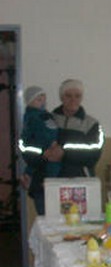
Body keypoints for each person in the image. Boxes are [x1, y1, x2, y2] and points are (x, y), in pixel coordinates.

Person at [19, 86, 60, 215]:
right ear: (30, 101)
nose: (42, 102)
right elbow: (29, 143)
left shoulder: (48, 115)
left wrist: (56, 144)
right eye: (38, 99)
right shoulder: (31, 118)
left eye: (43, 99)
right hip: (42, 163)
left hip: (53, 157)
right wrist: (44, 150)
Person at [50, 79, 104, 178]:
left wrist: (64, 153)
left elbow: (94, 154)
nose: (73, 100)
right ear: (61, 97)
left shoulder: (92, 124)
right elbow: (35, 146)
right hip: (51, 178)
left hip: (81, 179)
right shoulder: (48, 120)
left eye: (77, 96)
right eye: (68, 96)